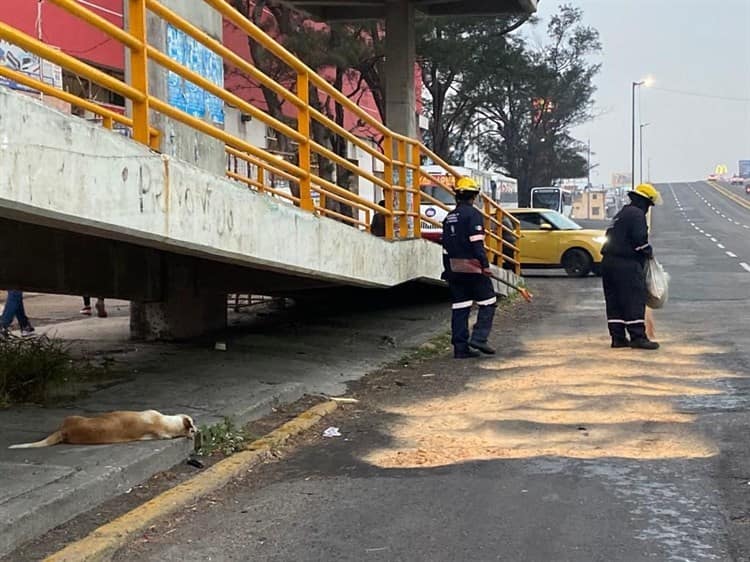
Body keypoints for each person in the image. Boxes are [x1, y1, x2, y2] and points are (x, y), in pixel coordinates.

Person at [601, 183, 662, 350]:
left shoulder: (622, 213)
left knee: (614, 301)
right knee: (633, 299)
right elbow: (639, 240)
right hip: (626, 264)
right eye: (649, 205)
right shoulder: (637, 215)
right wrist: (648, 252)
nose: (649, 209)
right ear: (644, 202)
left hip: (608, 263)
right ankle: (637, 337)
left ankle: (618, 337)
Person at [441, 177, 497, 359]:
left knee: (460, 307)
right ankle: (479, 338)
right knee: (488, 301)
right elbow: (476, 244)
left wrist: (447, 270)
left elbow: (445, 247)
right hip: (472, 267)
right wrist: (485, 265)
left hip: (454, 268)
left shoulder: (449, 217)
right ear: (474, 196)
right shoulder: (473, 215)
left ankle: (460, 348)